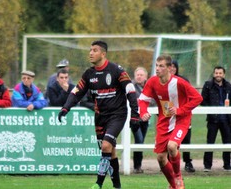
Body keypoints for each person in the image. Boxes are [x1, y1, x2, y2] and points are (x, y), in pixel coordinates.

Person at [58, 40, 140, 189]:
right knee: (111, 152)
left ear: (103, 54)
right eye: (90, 50)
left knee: (106, 146)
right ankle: (117, 186)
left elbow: (130, 90)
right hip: (100, 117)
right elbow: (76, 92)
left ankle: (98, 184)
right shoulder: (89, 74)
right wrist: (66, 107)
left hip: (117, 114)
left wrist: (135, 113)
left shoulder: (116, 70)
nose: (90, 53)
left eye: (94, 50)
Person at [138, 55, 202, 189]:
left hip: (181, 120)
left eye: (161, 66)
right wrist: (143, 112)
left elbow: (197, 98)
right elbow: (143, 100)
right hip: (164, 122)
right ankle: (174, 185)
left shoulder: (179, 82)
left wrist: (181, 110)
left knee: (172, 146)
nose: (157, 68)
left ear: (169, 68)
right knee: (161, 158)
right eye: (156, 65)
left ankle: (178, 176)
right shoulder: (152, 82)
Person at [201, 66, 231, 172]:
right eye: (216, 73)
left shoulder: (228, 86)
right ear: (214, 74)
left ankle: (227, 165)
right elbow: (202, 100)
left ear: (224, 74)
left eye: (220, 73)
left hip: (226, 119)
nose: (218, 75)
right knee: (210, 142)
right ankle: (207, 166)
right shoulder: (208, 85)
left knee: (227, 142)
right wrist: (211, 110)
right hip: (213, 119)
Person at [171, 60, 195, 173]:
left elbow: (193, 98)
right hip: (168, 117)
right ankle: (169, 163)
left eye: (174, 66)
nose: (171, 69)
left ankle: (187, 162)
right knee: (169, 142)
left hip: (183, 115)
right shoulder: (161, 81)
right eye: (169, 66)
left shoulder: (183, 81)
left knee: (186, 139)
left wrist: (184, 110)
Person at [131, 67, 150, 174]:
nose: (139, 76)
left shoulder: (149, 86)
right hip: (135, 119)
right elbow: (131, 100)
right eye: (137, 75)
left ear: (145, 76)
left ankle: (138, 165)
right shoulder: (131, 87)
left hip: (145, 118)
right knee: (139, 140)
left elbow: (152, 101)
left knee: (141, 141)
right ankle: (137, 166)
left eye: (141, 75)